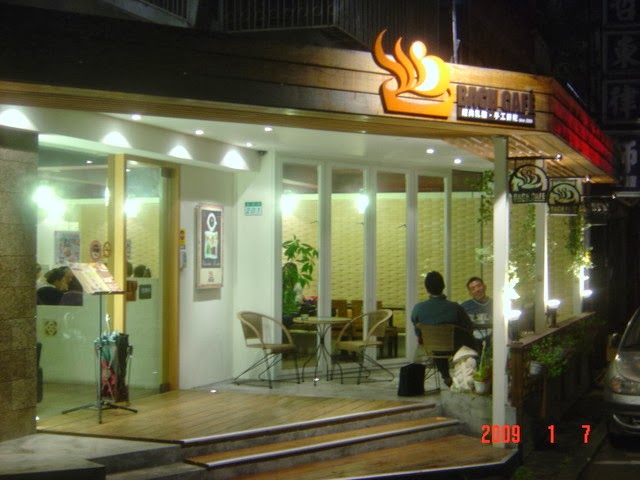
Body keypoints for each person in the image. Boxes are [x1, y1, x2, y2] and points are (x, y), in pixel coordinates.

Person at [411, 271, 475, 387]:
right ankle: (476, 376)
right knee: (476, 342)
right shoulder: (454, 307)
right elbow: (469, 326)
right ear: (443, 286)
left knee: (438, 344)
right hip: (456, 348)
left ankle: (446, 375)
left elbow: (417, 330)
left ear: (427, 289)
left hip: (432, 347)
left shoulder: (418, 308)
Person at [461, 276, 493, 342]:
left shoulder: (496, 305)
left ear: (485, 287)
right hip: (473, 342)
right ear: (470, 293)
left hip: (494, 341)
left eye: (479, 286)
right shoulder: (464, 307)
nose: (477, 290)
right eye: (473, 288)